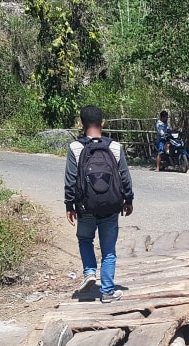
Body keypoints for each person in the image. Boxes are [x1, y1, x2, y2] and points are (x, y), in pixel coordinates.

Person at [64, 105, 134, 303]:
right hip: (111, 206)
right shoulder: (114, 147)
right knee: (108, 250)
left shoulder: (75, 148)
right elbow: (125, 177)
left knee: (85, 240)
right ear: (102, 123)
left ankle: (89, 273)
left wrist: (69, 205)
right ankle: (108, 292)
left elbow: (70, 180)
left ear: (81, 124)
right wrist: (128, 200)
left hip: (85, 207)